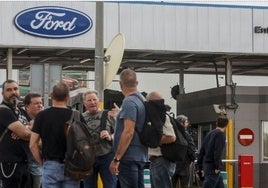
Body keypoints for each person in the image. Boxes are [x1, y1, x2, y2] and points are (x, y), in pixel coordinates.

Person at [29, 82, 82, 188]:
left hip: (50, 164)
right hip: (72, 166)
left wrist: (42, 163)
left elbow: (32, 144)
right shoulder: (76, 116)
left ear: (51, 96)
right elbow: (83, 143)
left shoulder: (42, 116)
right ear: (68, 97)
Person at [109, 69, 148, 188]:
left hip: (128, 157)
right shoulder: (142, 100)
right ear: (137, 83)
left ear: (121, 84)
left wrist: (116, 159)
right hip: (140, 155)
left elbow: (128, 132)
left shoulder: (129, 102)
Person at [0, 79, 32, 188]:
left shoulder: (20, 111)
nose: (13, 92)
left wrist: (25, 127)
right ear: (3, 93)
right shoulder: (3, 111)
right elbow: (26, 135)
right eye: (9, 90)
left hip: (24, 162)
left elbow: (35, 126)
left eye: (15, 89)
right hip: (10, 163)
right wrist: (24, 131)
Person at [82, 90, 117, 188]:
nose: (92, 102)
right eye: (89, 100)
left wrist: (110, 137)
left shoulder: (108, 115)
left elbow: (118, 133)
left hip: (107, 157)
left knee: (110, 185)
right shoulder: (81, 118)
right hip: (88, 158)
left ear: (98, 100)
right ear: (85, 103)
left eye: (94, 99)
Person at [146, 91, 176, 188]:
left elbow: (171, 137)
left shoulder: (162, 117)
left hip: (162, 161)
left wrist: (154, 141)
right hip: (156, 161)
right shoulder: (153, 117)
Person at [197, 115, 229, 188]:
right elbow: (218, 152)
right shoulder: (220, 134)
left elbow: (201, 151)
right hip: (213, 167)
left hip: (207, 166)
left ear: (216, 123)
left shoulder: (210, 133)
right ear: (227, 125)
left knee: (220, 185)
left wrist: (200, 168)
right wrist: (217, 167)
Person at [24, 93, 43, 188]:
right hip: (23, 165)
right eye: (36, 103)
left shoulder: (45, 119)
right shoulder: (20, 118)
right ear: (27, 107)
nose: (40, 105)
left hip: (39, 167)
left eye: (41, 103)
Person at [172, 115, 197, 188]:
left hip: (173, 164)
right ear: (182, 123)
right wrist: (192, 159)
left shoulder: (172, 133)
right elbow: (191, 148)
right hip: (184, 164)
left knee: (171, 184)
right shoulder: (186, 135)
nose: (188, 124)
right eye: (186, 122)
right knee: (184, 185)